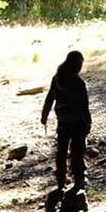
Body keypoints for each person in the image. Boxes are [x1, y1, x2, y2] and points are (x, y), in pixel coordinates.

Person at [41, 50, 91, 191]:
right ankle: (79, 180)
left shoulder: (57, 78)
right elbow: (83, 105)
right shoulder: (78, 83)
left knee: (61, 151)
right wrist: (87, 123)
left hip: (62, 120)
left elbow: (50, 97)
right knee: (77, 151)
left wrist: (44, 115)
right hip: (77, 122)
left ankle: (61, 180)